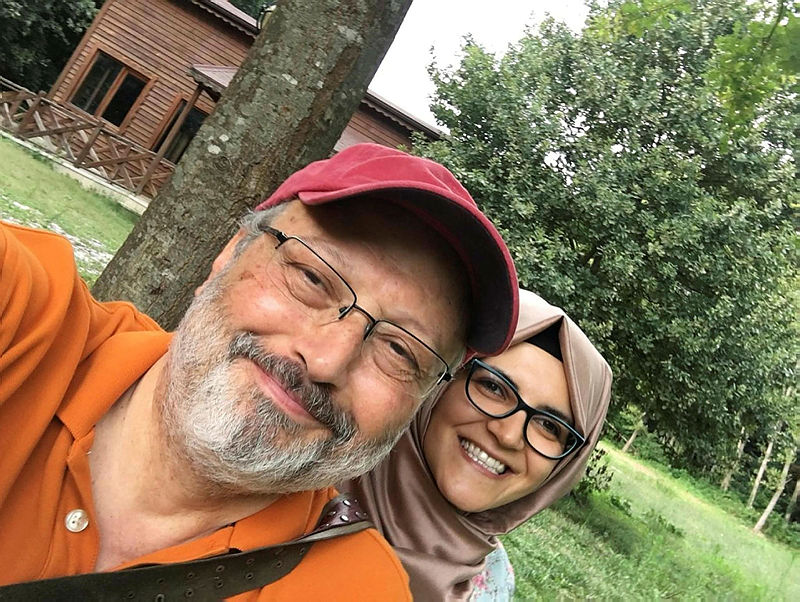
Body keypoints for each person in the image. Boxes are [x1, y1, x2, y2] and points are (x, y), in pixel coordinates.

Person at [0, 143, 519, 599]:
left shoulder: (358, 590)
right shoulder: (26, 321)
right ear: (228, 255)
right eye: (312, 278)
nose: (326, 360)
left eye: (401, 351)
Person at [341, 288, 612, 601]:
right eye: (494, 387)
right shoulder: (307, 478)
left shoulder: (493, 584)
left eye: (549, 426)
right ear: (442, 378)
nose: (508, 435)